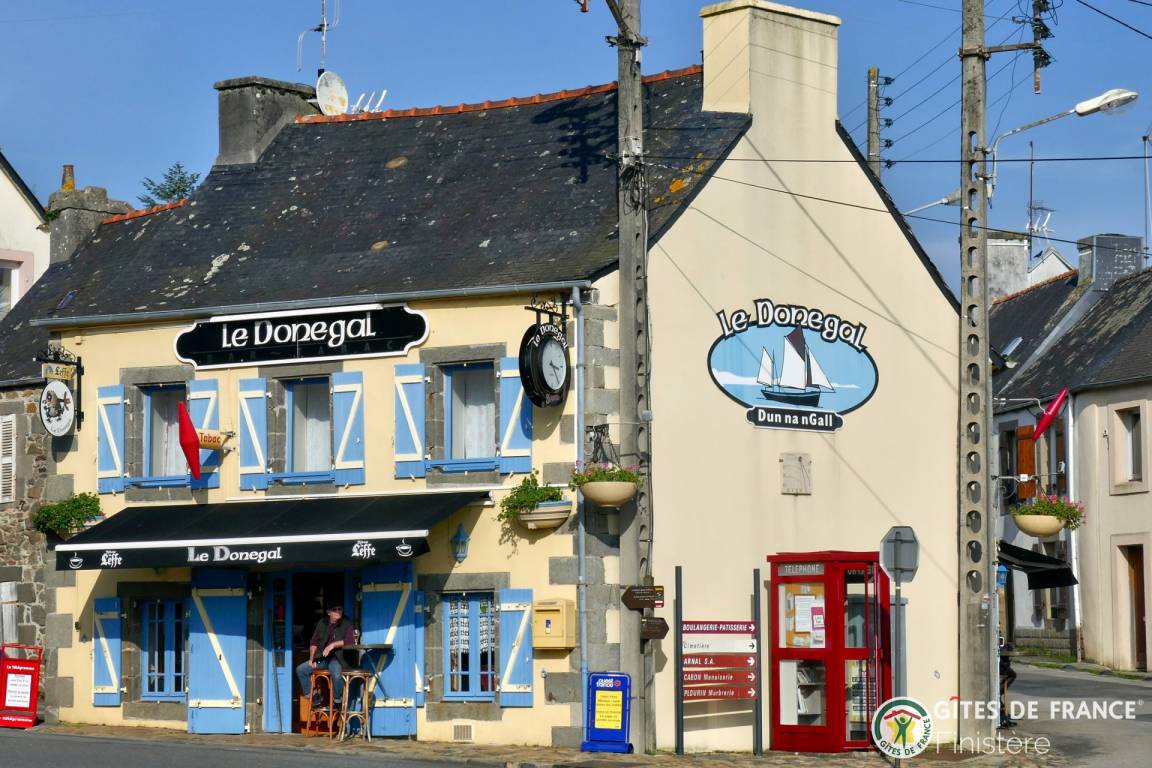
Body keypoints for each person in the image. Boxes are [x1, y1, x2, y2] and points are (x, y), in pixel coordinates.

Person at [296, 604, 355, 707]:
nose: (338, 611)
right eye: (335, 609)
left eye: (340, 609)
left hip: (337, 659)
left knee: (337, 675)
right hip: (322, 659)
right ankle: (314, 697)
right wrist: (312, 658)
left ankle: (337, 700)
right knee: (301, 670)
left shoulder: (347, 623)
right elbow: (313, 642)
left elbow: (350, 641)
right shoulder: (322, 623)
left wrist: (333, 645)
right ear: (329, 612)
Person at [998, 636, 1018, 728]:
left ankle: (1004, 716)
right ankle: (1000, 691)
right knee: (1013, 675)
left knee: (1012, 675)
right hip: (1000, 666)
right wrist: (1007, 663)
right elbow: (1004, 663)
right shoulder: (1004, 650)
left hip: (1000, 666)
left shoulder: (1003, 647)